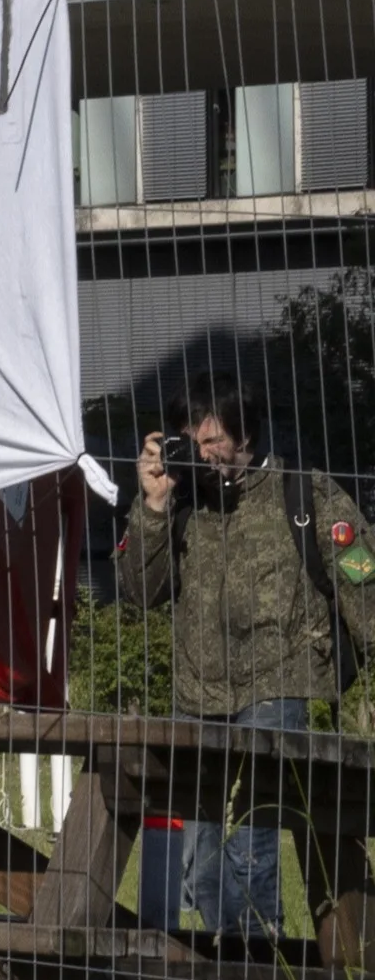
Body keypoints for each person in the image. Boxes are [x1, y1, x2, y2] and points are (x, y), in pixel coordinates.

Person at [118, 376, 375, 939]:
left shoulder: (301, 492)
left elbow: (364, 579)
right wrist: (154, 507)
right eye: (188, 441)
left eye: (212, 441)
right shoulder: (181, 503)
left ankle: (256, 977)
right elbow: (138, 590)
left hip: (280, 682)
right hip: (196, 692)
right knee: (204, 859)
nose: (201, 455)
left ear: (247, 435)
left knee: (250, 842)